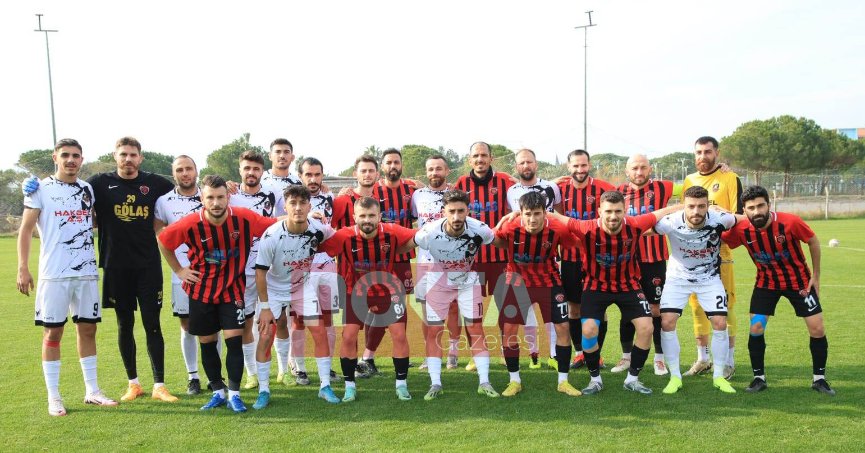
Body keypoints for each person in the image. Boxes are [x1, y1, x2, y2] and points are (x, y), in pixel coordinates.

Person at [157, 175, 279, 413]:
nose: (216, 203)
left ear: (227, 198)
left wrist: (302, 216)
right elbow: (163, 241)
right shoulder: (190, 223)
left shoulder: (243, 218)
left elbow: (273, 223)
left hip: (232, 291)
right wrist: (179, 270)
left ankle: (234, 394)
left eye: (220, 197)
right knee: (207, 343)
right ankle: (217, 392)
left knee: (234, 341)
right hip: (201, 292)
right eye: (210, 198)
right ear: (202, 199)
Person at [17, 138, 118, 416]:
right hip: (54, 274)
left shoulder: (87, 189)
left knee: (88, 330)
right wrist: (23, 267)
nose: (71, 160)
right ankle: (54, 396)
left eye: (75, 155)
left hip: (86, 272)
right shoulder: (39, 189)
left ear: (81, 160)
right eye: (65, 155)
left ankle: (92, 390)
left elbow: (91, 219)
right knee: (53, 332)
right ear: (55, 158)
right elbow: (26, 229)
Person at [547, 191, 682, 395]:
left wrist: (691, 206)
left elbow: (663, 211)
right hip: (596, 286)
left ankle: (632, 379)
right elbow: (554, 216)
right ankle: (595, 380)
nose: (613, 216)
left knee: (646, 328)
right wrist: (514, 215)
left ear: (624, 211)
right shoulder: (586, 227)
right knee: (589, 330)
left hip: (628, 285)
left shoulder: (635, 224)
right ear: (599, 211)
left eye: (618, 211)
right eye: (608, 211)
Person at [722, 185, 834, 395]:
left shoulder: (790, 222)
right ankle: (759, 378)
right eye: (751, 208)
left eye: (760, 206)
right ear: (744, 211)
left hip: (800, 284)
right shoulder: (741, 229)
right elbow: (720, 237)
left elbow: (812, 240)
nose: (757, 211)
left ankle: (819, 379)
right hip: (766, 285)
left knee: (817, 328)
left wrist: (816, 276)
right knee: (756, 327)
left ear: (769, 205)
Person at [89, 137, 177, 402]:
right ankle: (133, 384)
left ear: (141, 158)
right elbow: (70, 191)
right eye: (123, 154)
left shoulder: (157, 184)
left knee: (153, 324)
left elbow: (188, 190)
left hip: (148, 266)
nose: (128, 159)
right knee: (124, 325)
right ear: (115, 156)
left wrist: (228, 186)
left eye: (133, 155)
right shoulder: (99, 183)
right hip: (116, 267)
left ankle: (159, 385)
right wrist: (34, 187)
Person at [318, 196, 417, 402]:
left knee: (399, 335)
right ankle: (350, 386)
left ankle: (401, 384)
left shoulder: (392, 231)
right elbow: (317, 244)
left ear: (379, 216)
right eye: (362, 216)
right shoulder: (344, 235)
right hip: (356, 292)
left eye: (372, 215)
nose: (367, 220)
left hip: (389, 290)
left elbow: (419, 235)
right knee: (349, 336)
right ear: (354, 217)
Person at [254, 185, 340, 407]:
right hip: (274, 290)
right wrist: (265, 307)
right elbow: (260, 273)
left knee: (319, 332)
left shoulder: (319, 229)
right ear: (285, 207)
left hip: (302, 287)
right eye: (293, 203)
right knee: (265, 336)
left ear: (310, 206)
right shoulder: (271, 235)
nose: (298, 208)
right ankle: (264, 390)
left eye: (303, 203)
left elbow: (337, 240)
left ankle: (324, 386)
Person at [410, 190, 500, 399]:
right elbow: (406, 244)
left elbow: (501, 241)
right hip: (438, 282)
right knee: (434, 331)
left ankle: (484, 382)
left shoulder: (480, 229)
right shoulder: (428, 232)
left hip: (468, 281)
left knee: (476, 328)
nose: (456, 216)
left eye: (461, 211)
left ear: (468, 211)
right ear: (444, 211)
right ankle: (435, 384)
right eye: (452, 211)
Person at [491, 191, 581, 397]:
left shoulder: (557, 228)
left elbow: (577, 242)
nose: (532, 219)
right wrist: (502, 220)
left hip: (550, 283)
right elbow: (492, 238)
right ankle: (514, 381)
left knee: (563, 327)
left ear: (545, 213)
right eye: (528, 214)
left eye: (537, 213)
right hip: (517, 283)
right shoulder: (510, 226)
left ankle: (563, 381)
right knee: (509, 329)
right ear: (521, 213)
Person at [651, 186, 737, 394]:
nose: (696, 211)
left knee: (720, 322)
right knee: (667, 322)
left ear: (708, 205)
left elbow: (744, 220)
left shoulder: (720, 219)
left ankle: (719, 376)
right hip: (677, 279)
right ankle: (675, 377)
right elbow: (641, 227)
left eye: (701, 206)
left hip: (709, 278)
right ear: (684, 206)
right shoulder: (670, 222)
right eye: (691, 206)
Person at [683, 136, 742, 379]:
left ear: (717, 152)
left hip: (721, 256)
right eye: (698, 152)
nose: (702, 156)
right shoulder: (689, 180)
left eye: (707, 151)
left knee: (725, 307)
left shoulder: (730, 178)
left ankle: (728, 361)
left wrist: (719, 216)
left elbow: (739, 217)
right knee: (697, 307)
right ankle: (703, 358)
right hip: (694, 257)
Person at [228, 151, 287, 389]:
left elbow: (287, 216)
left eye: (256, 169)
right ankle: (252, 373)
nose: (251, 173)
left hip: (270, 268)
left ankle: (284, 371)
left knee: (279, 320)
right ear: (240, 170)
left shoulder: (273, 193)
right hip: (240, 270)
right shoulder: (230, 195)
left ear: (262, 171)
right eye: (247, 168)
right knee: (245, 322)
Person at [454, 141, 514, 372]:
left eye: (484, 155)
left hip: (500, 258)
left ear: (491, 158)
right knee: (472, 311)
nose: (480, 159)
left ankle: (506, 351)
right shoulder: (461, 184)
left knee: (506, 308)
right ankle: (476, 354)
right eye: (476, 156)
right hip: (471, 261)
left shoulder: (506, 182)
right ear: (470, 160)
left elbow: (526, 193)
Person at [613, 154, 675, 376]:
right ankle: (626, 357)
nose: (639, 172)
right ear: (627, 171)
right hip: (626, 260)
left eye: (643, 168)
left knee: (656, 309)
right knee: (627, 309)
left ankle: (659, 359)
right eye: (634, 168)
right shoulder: (618, 192)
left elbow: (693, 187)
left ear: (650, 169)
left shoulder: (664, 188)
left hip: (654, 260)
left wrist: (721, 168)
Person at [153, 155, 208, 395]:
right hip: (183, 274)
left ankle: (216, 376)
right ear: (173, 173)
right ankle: (192, 376)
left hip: (211, 272)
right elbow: (160, 237)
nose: (185, 173)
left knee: (213, 325)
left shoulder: (209, 195)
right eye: (180, 170)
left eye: (189, 169)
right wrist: (178, 269)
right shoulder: (164, 201)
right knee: (187, 325)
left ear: (196, 171)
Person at [361, 149, 418, 375]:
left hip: (402, 259)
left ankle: (398, 353)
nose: (393, 166)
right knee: (378, 308)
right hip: (379, 260)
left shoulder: (412, 190)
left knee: (399, 308)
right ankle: (367, 357)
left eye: (396, 162)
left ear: (402, 165)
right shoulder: (373, 191)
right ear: (382, 167)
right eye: (388, 163)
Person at [505, 149, 563, 369]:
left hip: (547, 257)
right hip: (521, 261)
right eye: (521, 163)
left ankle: (554, 354)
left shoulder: (551, 187)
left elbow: (559, 216)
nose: (526, 166)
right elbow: (511, 218)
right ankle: (533, 354)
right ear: (516, 166)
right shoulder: (511, 191)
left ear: (536, 164)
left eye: (529, 161)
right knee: (526, 312)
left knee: (551, 313)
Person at [556, 149, 614, 369]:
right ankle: (580, 353)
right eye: (575, 166)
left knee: (600, 307)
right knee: (574, 308)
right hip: (570, 257)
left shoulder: (604, 188)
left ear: (589, 165)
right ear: (568, 167)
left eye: (583, 165)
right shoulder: (560, 189)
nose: (580, 169)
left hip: (597, 258)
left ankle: (596, 354)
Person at [289, 157, 342, 386]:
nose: (313, 179)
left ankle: (327, 365)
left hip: (327, 264)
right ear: (300, 176)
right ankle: (299, 367)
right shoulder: (292, 199)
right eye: (308, 174)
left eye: (317, 174)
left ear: (322, 176)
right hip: (301, 267)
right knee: (299, 320)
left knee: (328, 318)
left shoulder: (330, 197)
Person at [411, 155, 462, 371]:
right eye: (430, 169)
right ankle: (431, 353)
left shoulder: (456, 194)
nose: (434, 173)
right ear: (426, 172)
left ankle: (453, 352)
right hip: (426, 262)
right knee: (427, 311)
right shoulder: (417, 195)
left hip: (453, 261)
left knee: (453, 308)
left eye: (439, 168)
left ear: (447, 171)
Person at [330, 155, 379, 378]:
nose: (367, 174)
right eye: (363, 170)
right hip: (350, 272)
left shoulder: (382, 197)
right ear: (355, 174)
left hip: (379, 270)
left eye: (371, 170)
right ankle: (354, 366)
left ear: (377, 174)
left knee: (382, 316)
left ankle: (367, 359)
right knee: (352, 324)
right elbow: (329, 228)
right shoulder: (343, 201)